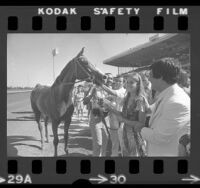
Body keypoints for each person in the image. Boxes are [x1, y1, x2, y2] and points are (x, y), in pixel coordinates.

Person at [133, 57, 190, 156]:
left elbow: (159, 137)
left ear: (160, 76)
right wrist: (143, 104)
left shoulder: (176, 102)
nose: (149, 79)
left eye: (150, 75)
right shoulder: (167, 94)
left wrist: (140, 128)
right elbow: (153, 109)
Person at [104, 72, 148, 156]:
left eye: (131, 82)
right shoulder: (127, 98)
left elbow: (141, 123)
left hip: (136, 138)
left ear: (138, 84)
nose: (128, 84)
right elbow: (124, 114)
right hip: (125, 135)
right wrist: (110, 109)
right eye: (127, 82)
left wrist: (123, 120)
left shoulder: (140, 100)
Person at [100, 76, 126, 156]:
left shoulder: (124, 91)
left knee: (123, 144)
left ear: (123, 83)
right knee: (114, 143)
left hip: (122, 121)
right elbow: (107, 106)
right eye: (116, 81)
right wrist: (104, 103)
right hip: (113, 120)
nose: (118, 83)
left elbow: (113, 93)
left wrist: (101, 85)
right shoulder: (113, 92)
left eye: (120, 81)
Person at [83, 83, 109, 157]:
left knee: (105, 140)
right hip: (96, 116)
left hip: (105, 117)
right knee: (98, 143)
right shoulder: (93, 88)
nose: (101, 80)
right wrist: (91, 94)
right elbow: (85, 102)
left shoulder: (107, 89)